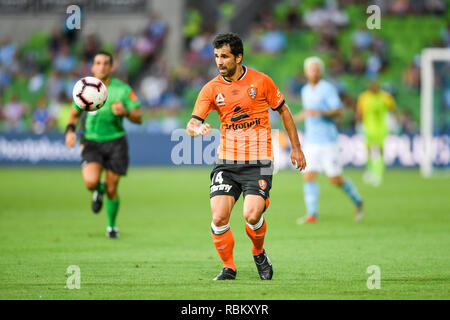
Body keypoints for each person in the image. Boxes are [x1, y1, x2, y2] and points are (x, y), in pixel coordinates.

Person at [186, 33, 306, 281]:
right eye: (217, 56)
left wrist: (296, 147)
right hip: (227, 162)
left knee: (252, 215)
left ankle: (259, 253)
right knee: (219, 217)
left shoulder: (261, 81)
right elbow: (192, 123)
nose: (219, 61)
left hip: (259, 160)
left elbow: (284, 110)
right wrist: (197, 129)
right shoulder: (211, 89)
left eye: (225, 56)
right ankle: (229, 267)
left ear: (238, 57)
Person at [65, 51, 142, 238]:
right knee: (91, 182)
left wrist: (125, 112)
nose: (102, 66)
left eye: (106, 63)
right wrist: (69, 131)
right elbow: (74, 114)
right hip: (92, 141)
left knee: (112, 188)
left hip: (116, 142)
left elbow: (138, 117)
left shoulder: (122, 90)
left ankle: (111, 227)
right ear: (92, 67)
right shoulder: (84, 87)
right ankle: (97, 191)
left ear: (112, 67)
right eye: (98, 63)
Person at [294, 56, 363, 224]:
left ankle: (357, 201)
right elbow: (308, 111)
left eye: (317, 69)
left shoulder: (328, 89)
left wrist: (321, 113)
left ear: (321, 71)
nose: (314, 72)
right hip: (311, 141)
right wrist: (292, 118)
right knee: (308, 176)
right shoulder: (305, 90)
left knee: (335, 180)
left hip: (329, 141)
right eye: (312, 69)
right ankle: (312, 214)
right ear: (306, 72)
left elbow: (339, 111)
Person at [356, 80, 396, 186]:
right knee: (368, 150)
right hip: (368, 128)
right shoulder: (364, 97)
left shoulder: (385, 97)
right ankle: (369, 170)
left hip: (381, 129)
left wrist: (393, 122)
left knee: (380, 150)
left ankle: (378, 174)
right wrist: (359, 124)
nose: (374, 86)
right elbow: (359, 112)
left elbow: (392, 110)